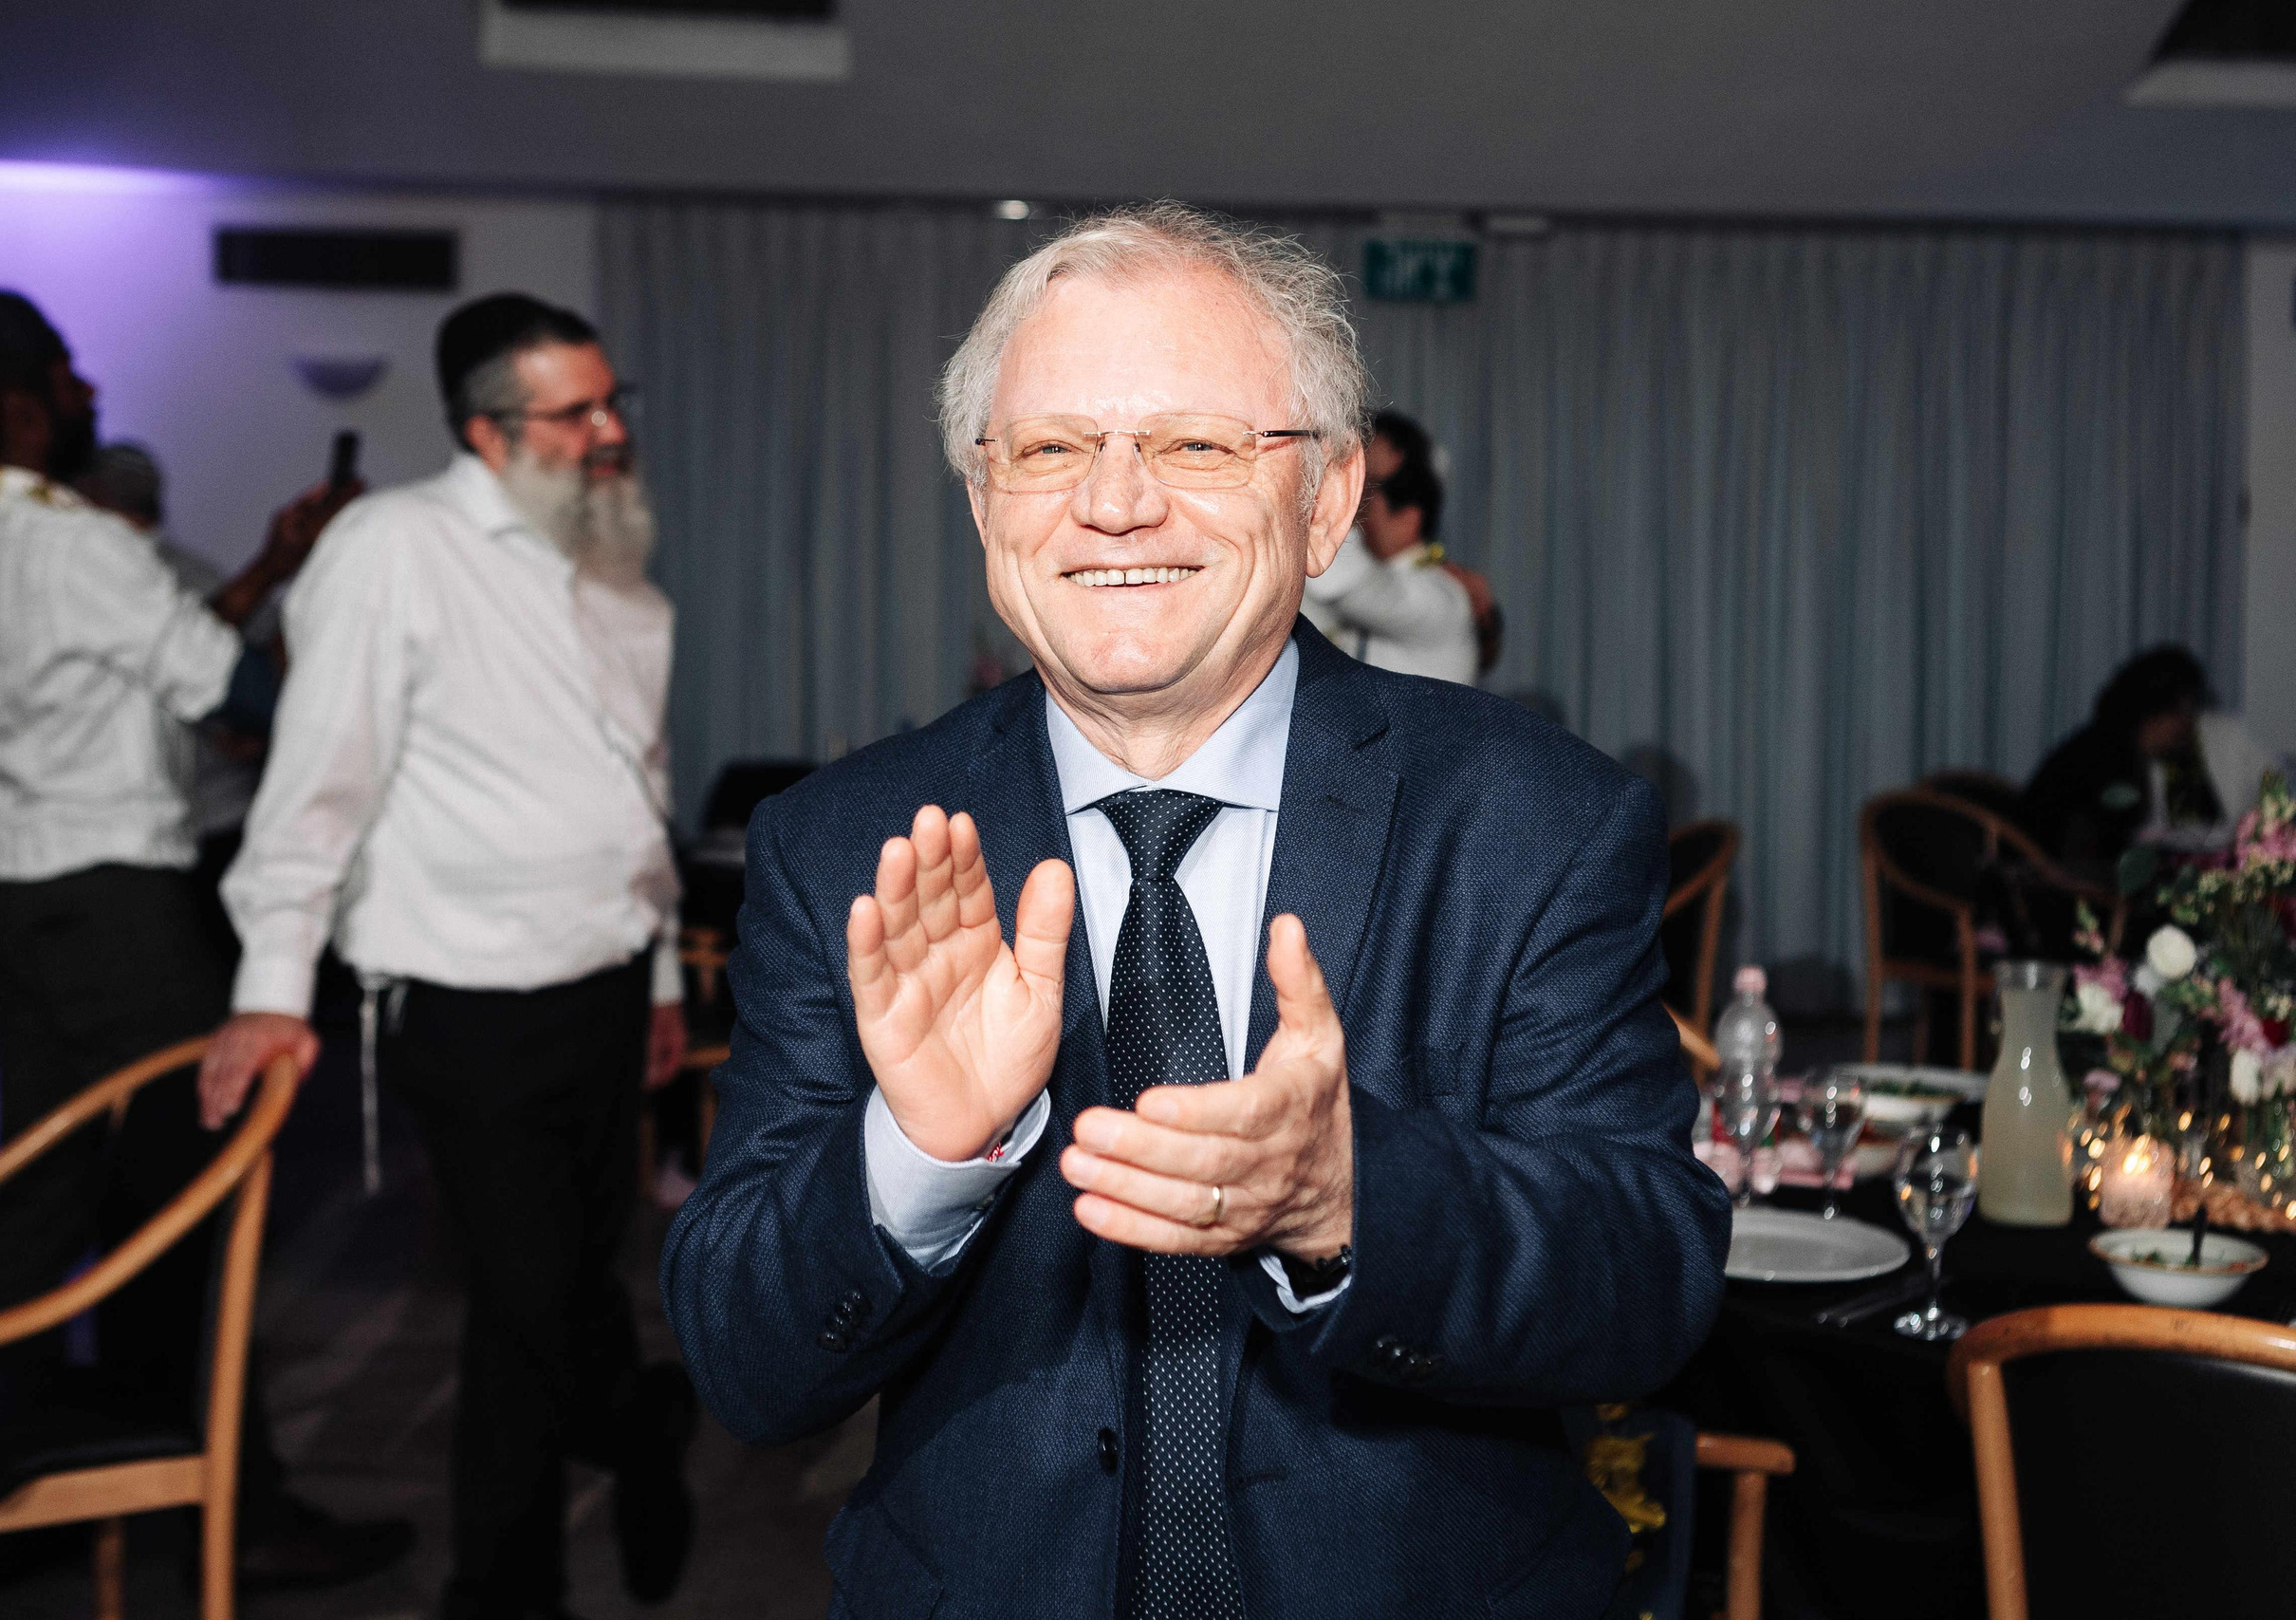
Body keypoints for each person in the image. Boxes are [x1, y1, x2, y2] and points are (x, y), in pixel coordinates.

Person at [663, 204, 1728, 1617]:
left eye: (1196, 444)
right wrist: (915, 1153)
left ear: (1328, 500)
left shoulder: (1532, 818)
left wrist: (1354, 1199)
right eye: (1048, 449)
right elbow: (745, 1363)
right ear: (986, 501)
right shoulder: (847, 844)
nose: (1114, 502)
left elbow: (1651, 1281)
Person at [0, 282, 404, 1589]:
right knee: (200, 1195)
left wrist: (272, 563)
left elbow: (143, 651)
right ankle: (232, 1501)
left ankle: (2, 1487)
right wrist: (336, 621)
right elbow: (228, 690)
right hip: (121, 907)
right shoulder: (89, 544)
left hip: (16, 902)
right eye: (66, 373)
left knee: (46, 1193)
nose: (86, 390)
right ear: (22, 400)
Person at [198, 292, 698, 1620]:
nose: (608, 432)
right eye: (573, 411)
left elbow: (638, 788)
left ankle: (583, 1490)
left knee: (558, 1288)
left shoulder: (615, 571)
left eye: (612, 401)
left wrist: (658, 977)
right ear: (485, 429)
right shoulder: (393, 545)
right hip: (462, 998)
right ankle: (555, 1531)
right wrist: (266, 994)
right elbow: (316, 782)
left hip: (600, 981)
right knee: (531, 1297)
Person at [76, 440, 275, 947]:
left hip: (184, 830)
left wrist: (252, 722)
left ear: (92, 495)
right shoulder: (195, 573)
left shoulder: (115, 580)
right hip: (223, 820)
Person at [2022, 645, 2285, 868]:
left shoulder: (2115, 746)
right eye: (2182, 713)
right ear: (2155, 713)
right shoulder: (2108, 760)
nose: (2188, 726)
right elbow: (2085, 849)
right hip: (2053, 883)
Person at [1303, 409, 1501, 682]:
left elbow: (1343, 583)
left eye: (1366, 484)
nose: (1353, 500)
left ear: (1410, 513)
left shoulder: (1444, 599)